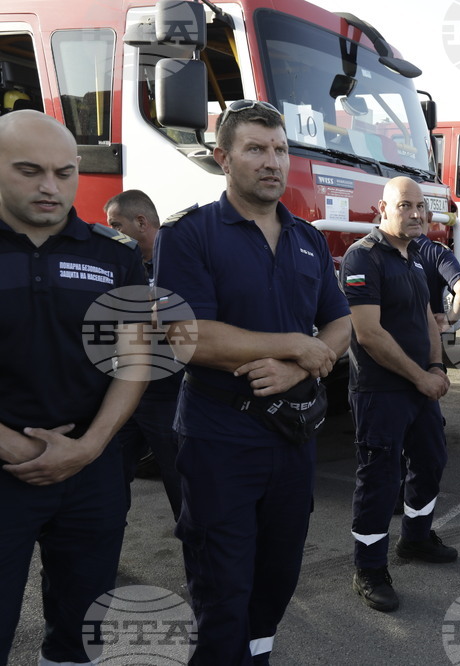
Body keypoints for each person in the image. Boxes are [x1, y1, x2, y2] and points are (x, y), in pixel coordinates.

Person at [154, 100, 352, 664]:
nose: (273, 162)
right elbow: (190, 338)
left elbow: (341, 324)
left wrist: (299, 366)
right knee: (223, 588)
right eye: (256, 149)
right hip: (220, 438)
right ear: (222, 158)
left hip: (292, 440)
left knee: (277, 578)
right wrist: (292, 344)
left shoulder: (307, 239)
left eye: (281, 149)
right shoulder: (189, 236)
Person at [0, 110, 148, 665]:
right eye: (28, 170)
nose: (49, 186)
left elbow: (135, 359)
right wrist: (17, 447)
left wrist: (89, 447)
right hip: (5, 468)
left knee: (81, 627)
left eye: (64, 173)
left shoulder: (114, 254)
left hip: (91, 473)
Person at [342, 176, 457, 613]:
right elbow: (368, 334)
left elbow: (428, 317)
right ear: (382, 208)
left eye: (420, 207)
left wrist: (436, 366)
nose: (415, 213)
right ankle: (369, 569)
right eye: (405, 205)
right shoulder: (363, 257)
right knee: (379, 479)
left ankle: (416, 538)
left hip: (419, 386)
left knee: (430, 461)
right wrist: (419, 377)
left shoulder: (414, 259)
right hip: (381, 390)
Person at [105, 190, 183, 520]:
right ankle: (97, 557)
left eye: (115, 224)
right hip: (121, 391)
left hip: (167, 393)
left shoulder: (181, 258)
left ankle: (202, 564)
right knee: (105, 485)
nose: (110, 232)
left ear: (140, 222)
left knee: (182, 485)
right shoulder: (120, 264)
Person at [414, 207, 460, 332]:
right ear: (430, 217)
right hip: (429, 336)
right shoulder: (437, 253)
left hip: (384, 340)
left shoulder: (374, 251)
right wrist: (449, 319)